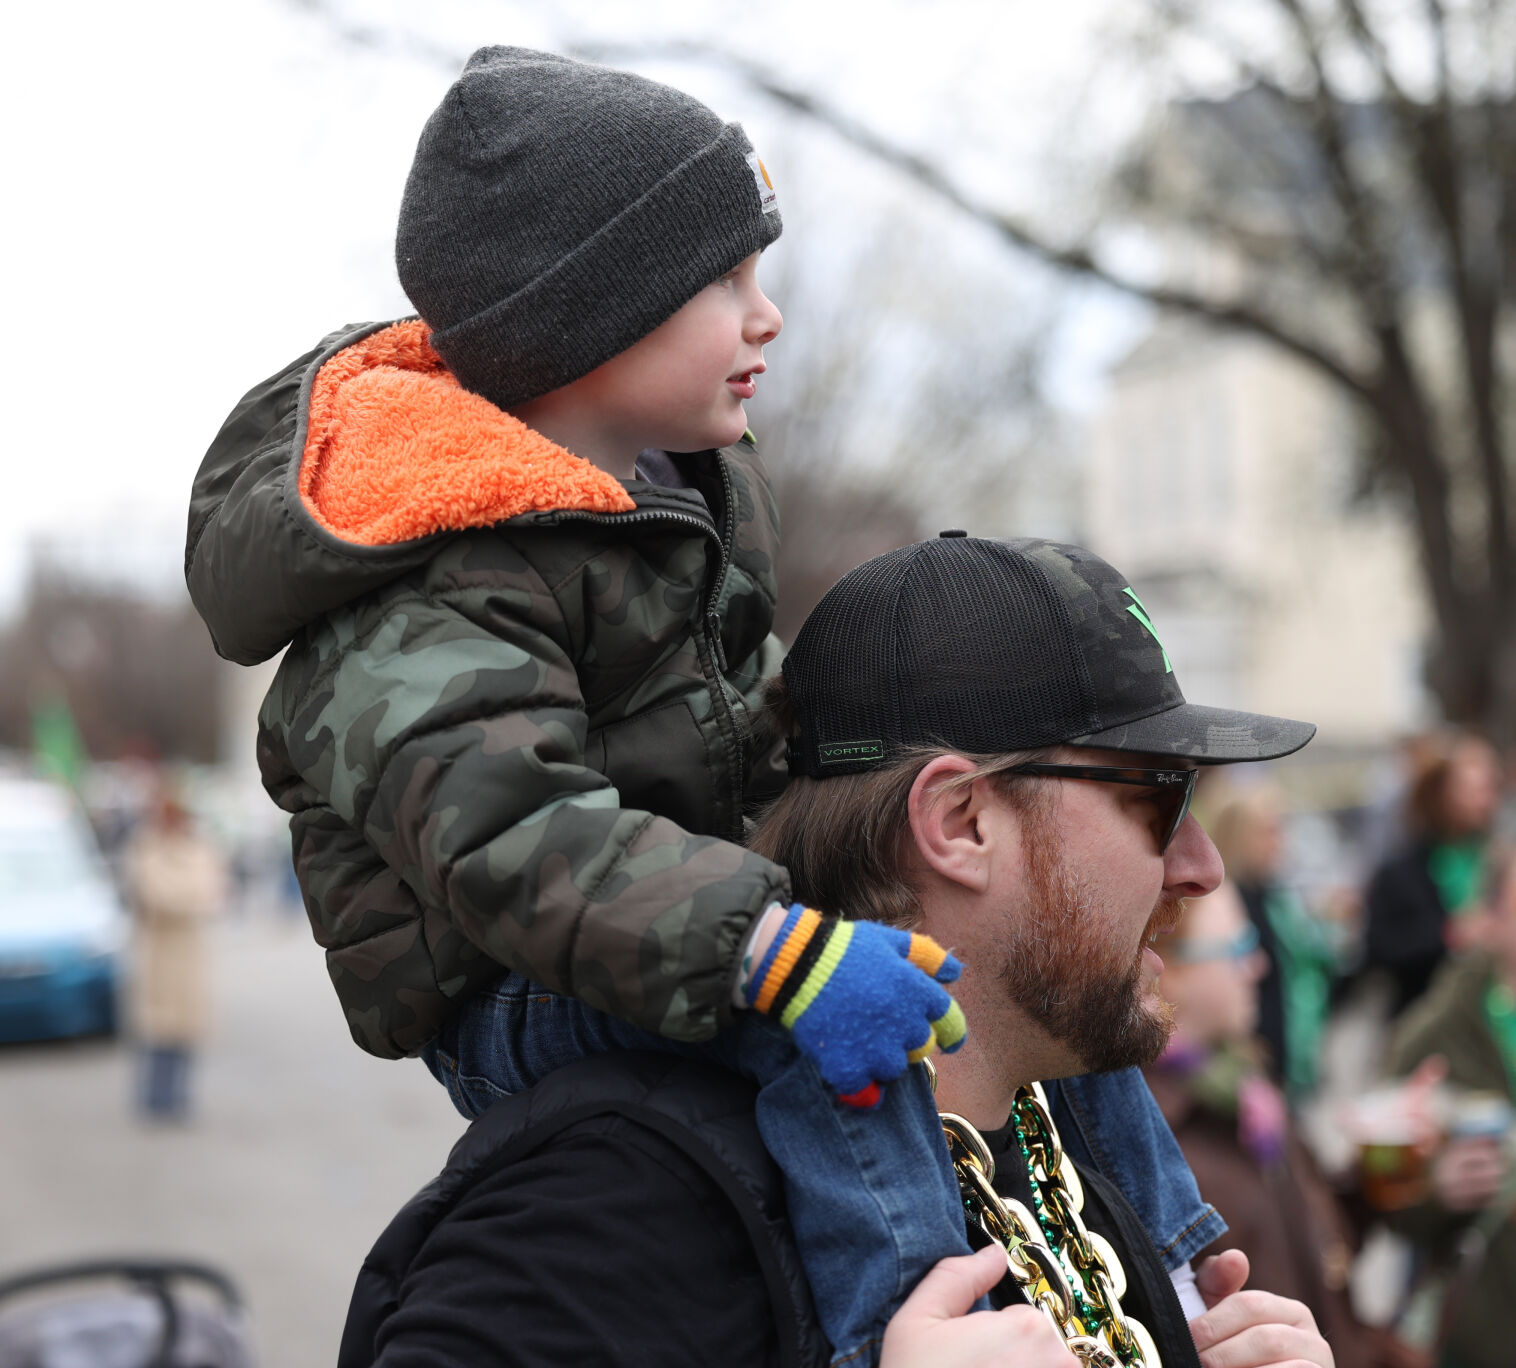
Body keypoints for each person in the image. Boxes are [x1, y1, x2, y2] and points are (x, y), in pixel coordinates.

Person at [185, 48, 1220, 1364]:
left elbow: (733, 718)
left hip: (670, 913)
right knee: (827, 1033)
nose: (766, 315)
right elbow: (511, 841)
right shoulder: (434, 575)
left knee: (1049, 970)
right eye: (724, 281)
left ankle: (1180, 1268)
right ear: (587, 319)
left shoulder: (666, 497)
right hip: (503, 976)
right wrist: (775, 952)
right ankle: (900, 1318)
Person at [339, 534, 1334, 1368]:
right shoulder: (619, 1197)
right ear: (958, 822)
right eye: (1158, 799)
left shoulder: (1075, 1137)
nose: (1202, 868)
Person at [1146, 881, 1410, 1368]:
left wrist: (1382, 1173)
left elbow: (1325, 1253)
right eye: (1239, 947)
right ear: (1171, 969)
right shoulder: (1149, 1140)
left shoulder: (1249, 1093)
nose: (1258, 964)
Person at [1385, 846, 1516, 1368]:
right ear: (1490, 917)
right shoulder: (1435, 1033)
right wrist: (1435, 1185)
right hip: (1481, 1329)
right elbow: (1381, 1182)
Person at [1208, 786, 1343, 1098]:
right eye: (1268, 832)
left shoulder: (1275, 897)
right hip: (1255, 1060)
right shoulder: (1227, 906)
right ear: (1240, 836)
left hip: (1292, 1054)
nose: (1280, 843)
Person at [1364, 733, 1502, 1017]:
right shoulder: (1402, 870)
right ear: (1442, 792)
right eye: (1471, 789)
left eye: (1488, 789)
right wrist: (1448, 935)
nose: (1483, 800)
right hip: (1427, 1014)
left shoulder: (1499, 859)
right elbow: (1378, 948)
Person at [122, 785, 227, 1121]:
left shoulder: (200, 849)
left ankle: (178, 1098)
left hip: (187, 951)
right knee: (158, 1029)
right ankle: (155, 1099)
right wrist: (182, 896)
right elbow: (155, 893)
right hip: (159, 951)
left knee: (186, 1029)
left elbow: (209, 893)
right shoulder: (145, 848)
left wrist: (181, 896)